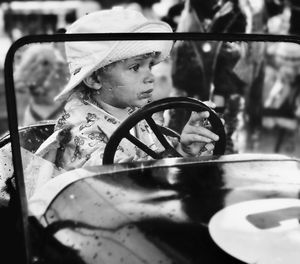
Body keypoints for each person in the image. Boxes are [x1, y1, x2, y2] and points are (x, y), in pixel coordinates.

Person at [33, 8, 219, 171]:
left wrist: (183, 151)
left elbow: (157, 156)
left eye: (150, 66)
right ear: (94, 78)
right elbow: (120, 178)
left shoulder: (137, 116)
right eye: (135, 67)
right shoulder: (79, 131)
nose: (150, 77)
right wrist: (171, 160)